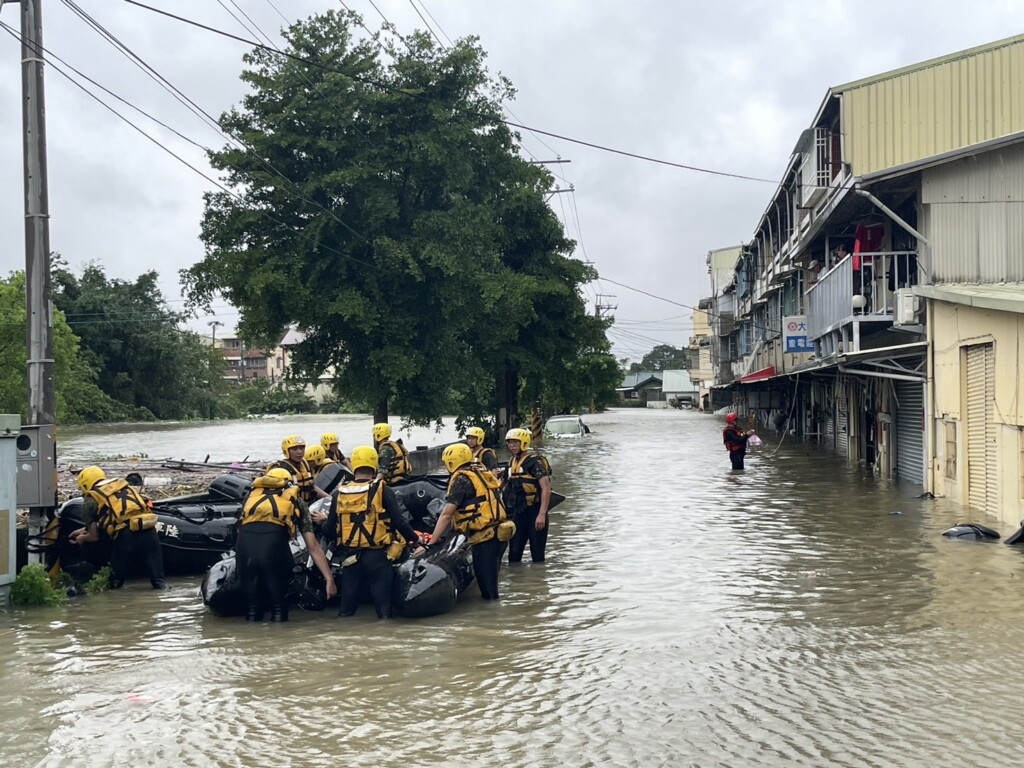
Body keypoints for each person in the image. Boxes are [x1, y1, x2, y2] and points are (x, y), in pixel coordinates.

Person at [330, 446, 424, 619]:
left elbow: (329, 528)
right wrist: (416, 540)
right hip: (378, 558)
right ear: (374, 464)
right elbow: (400, 522)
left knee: (345, 613)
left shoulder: (339, 493)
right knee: (384, 612)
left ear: (355, 464)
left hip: (350, 560)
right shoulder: (382, 489)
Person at [236, 467, 336, 622]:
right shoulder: (296, 500)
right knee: (279, 607)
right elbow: (313, 547)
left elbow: (239, 529)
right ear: (287, 484)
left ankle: (253, 642)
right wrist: (329, 579)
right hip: (274, 555)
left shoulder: (251, 497)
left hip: (244, 554)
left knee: (252, 609)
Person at [429, 443, 514, 600]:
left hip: (485, 539)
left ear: (452, 461)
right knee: (491, 583)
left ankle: (491, 619)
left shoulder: (461, 479)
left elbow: (447, 515)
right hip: (498, 534)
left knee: (488, 591)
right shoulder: (480, 472)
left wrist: (431, 542)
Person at [69, 465, 167, 590]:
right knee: (160, 583)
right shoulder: (123, 486)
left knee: (115, 584)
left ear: (85, 485)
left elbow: (94, 537)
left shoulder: (90, 499)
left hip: (127, 537)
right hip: (149, 531)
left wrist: (81, 539)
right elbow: (118, 516)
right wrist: (83, 530)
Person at [502, 427, 552, 564]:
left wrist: (542, 514)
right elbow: (504, 487)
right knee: (514, 556)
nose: (512, 446)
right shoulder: (511, 463)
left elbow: (546, 488)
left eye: (515, 443)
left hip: (535, 512)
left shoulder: (535, 463)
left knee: (537, 556)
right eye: (510, 443)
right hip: (518, 514)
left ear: (523, 443)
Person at [269, 434, 329, 507]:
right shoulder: (280, 469)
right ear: (286, 452)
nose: (300, 452)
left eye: (302, 448)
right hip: (291, 508)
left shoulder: (305, 464)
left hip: (309, 505)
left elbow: (312, 486)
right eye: (295, 449)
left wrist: (329, 498)